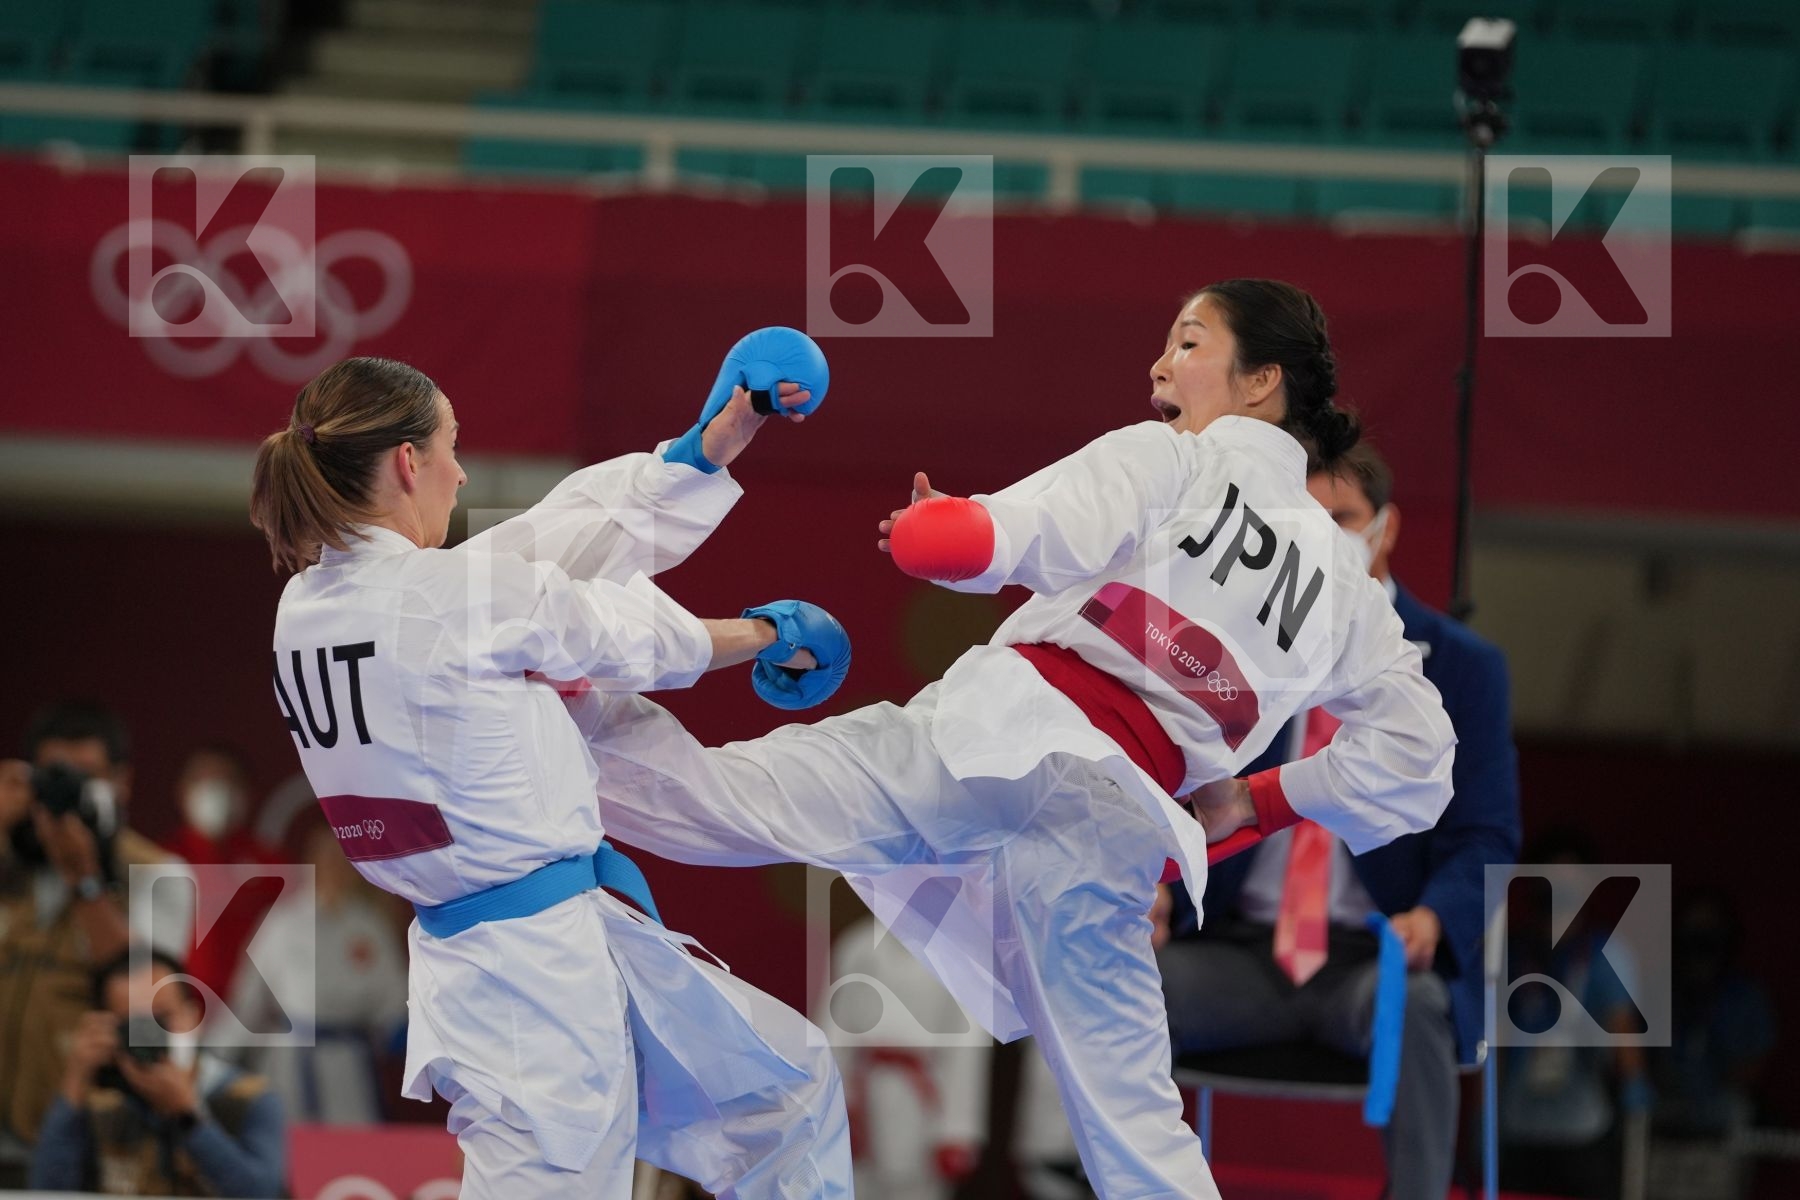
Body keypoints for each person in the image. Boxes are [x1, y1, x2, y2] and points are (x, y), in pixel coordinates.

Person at [569, 279, 1459, 1197]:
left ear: (1261, 380)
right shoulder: (1348, 587)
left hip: (999, 743)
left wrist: (931, 526)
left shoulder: (1173, 458)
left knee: (725, 801)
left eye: (1189, 343)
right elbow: (1418, 759)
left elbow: (989, 538)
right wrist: (1260, 799)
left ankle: (554, 720)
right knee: (1140, 1133)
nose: (1161, 362)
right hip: (1117, 827)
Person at [248, 345, 855, 1198]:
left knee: (784, 1094)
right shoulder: (445, 597)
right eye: (452, 448)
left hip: (523, 941)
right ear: (407, 462)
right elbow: (603, 624)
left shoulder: (304, 609)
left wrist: (700, 452)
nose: (460, 476)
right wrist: (768, 632)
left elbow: (541, 551)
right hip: (527, 976)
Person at [1158, 440, 1521, 1200]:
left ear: (1384, 529)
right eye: (1305, 520)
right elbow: (1170, 781)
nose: (1322, 538)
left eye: (1343, 519)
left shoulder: (1461, 665)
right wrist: (1154, 880)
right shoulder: (1231, 644)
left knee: (1419, 1006)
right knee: (1113, 978)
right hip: (1239, 955)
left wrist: (1434, 918)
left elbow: (1489, 834)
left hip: (1375, 961)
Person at [0, 702, 192, 1186]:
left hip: (89, 1140)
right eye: (54, 779)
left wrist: (84, 880)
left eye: (85, 776)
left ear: (121, 782)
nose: (68, 795)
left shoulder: (159, 874)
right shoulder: (12, 861)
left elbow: (144, 1000)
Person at [29, 948, 285, 1197]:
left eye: (162, 1017)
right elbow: (48, 1191)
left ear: (193, 1016)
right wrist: (76, 1079)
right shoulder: (99, 1101)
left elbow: (260, 1192)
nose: (151, 1036)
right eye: (134, 1024)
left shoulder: (248, 1099)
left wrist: (188, 1115)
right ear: (109, 1028)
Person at [230, 815, 409, 1124]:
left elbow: (394, 999)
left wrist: (399, 1034)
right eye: (326, 857)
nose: (334, 867)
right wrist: (218, 1057)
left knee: (353, 1152)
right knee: (291, 1151)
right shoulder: (281, 922)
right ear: (310, 861)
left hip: (350, 1059)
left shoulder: (370, 926)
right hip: (291, 1058)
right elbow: (247, 1001)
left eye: (342, 860)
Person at [162, 744, 282, 1004]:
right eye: (203, 780)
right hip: (179, 1011)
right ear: (182, 791)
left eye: (225, 781)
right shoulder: (159, 860)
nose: (214, 790)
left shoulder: (272, 864)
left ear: (246, 793)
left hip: (254, 1016)